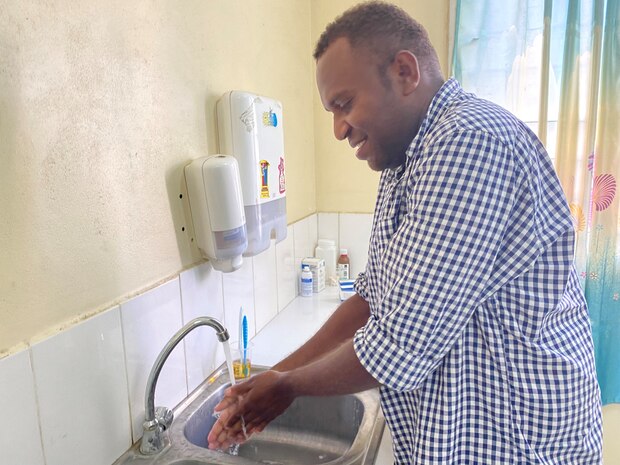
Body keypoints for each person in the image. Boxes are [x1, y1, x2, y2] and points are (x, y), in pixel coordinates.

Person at [208, 1, 603, 463]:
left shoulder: (471, 140)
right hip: (458, 433)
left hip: (517, 440)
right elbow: (369, 300)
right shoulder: (404, 166)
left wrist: (288, 388)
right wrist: (278, 373)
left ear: (404, 71)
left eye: (344, 104)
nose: (338, 130)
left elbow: (402, 342)